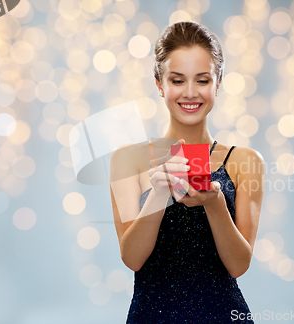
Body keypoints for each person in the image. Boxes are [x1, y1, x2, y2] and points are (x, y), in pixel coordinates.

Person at [109, 21, 265, 323]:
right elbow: (132, 258)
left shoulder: (244, 161)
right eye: (177, 81)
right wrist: (159, 192)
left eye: (203, 81)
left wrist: (214, 202)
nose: (190, 93)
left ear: (218, 83)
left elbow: (238, 265)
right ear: (159, 84)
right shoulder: (128, 159)